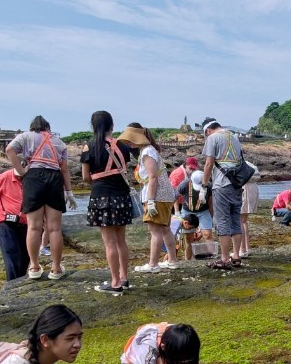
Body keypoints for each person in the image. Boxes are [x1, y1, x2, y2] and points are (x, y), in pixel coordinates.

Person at [6, 115, 75, 281]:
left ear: (33, 127)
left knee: (34, 227)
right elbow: (64, 168)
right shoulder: (59, 142)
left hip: (34, 177)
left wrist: (21, 171)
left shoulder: (25, 136)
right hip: (54, 178)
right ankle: (56, 268)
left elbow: (9, 150)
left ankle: (34, 266)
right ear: (48, 128)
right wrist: (69, 192)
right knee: (54, 228)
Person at [79, 110, 134, 295]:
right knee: (121, 241)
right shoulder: (123, 147)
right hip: (122, 197)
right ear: (111, 125)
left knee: (109, 243)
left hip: (101, 196)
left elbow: (86, 177)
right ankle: (124, 278)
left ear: (94, 126)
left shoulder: (90, 146)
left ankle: (115, 282)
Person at [120, 123, 177, 273]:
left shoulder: (147, 152)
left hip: (157, 196)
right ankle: (172, 260)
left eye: (130, 139)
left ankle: (153, 264)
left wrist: (150, 201)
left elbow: (152, 178)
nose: (129, 143)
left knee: (155, 231)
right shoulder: (150, 150)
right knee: (165, 229)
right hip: (165, 195)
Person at [199, 118, 246, 270]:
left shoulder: (212, 138)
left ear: (207, 131)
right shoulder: (234, 136)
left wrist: (204, 185)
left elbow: (209, 163)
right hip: (237, 184)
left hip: (221, 184)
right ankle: (236, 256)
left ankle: (224, 259)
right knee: (235, 218)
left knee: (222, 221)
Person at [0, 168, 30, 281]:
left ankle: (17, 286)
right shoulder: (5, 177)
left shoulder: (32, 178)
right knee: (12, 257)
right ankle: (12, 287)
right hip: (6, 224)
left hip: (27, 225)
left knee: (25, 258)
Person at [175, 169, 212, 238]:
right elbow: (175, 197)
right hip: (187, 211)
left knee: (207, 235)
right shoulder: (184, 184)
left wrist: (212, 217)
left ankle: (210, 248)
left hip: (203, 211)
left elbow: (211, 202)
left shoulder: (209, 186)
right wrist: (177, 212)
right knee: (188, 238)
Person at [239, 164, 260, 257]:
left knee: (239, 221)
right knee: (244, 221)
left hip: (244, 190)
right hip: (253, 190)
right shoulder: (250, 166)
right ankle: (246, 248)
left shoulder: (241, 166)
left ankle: (242, 250)